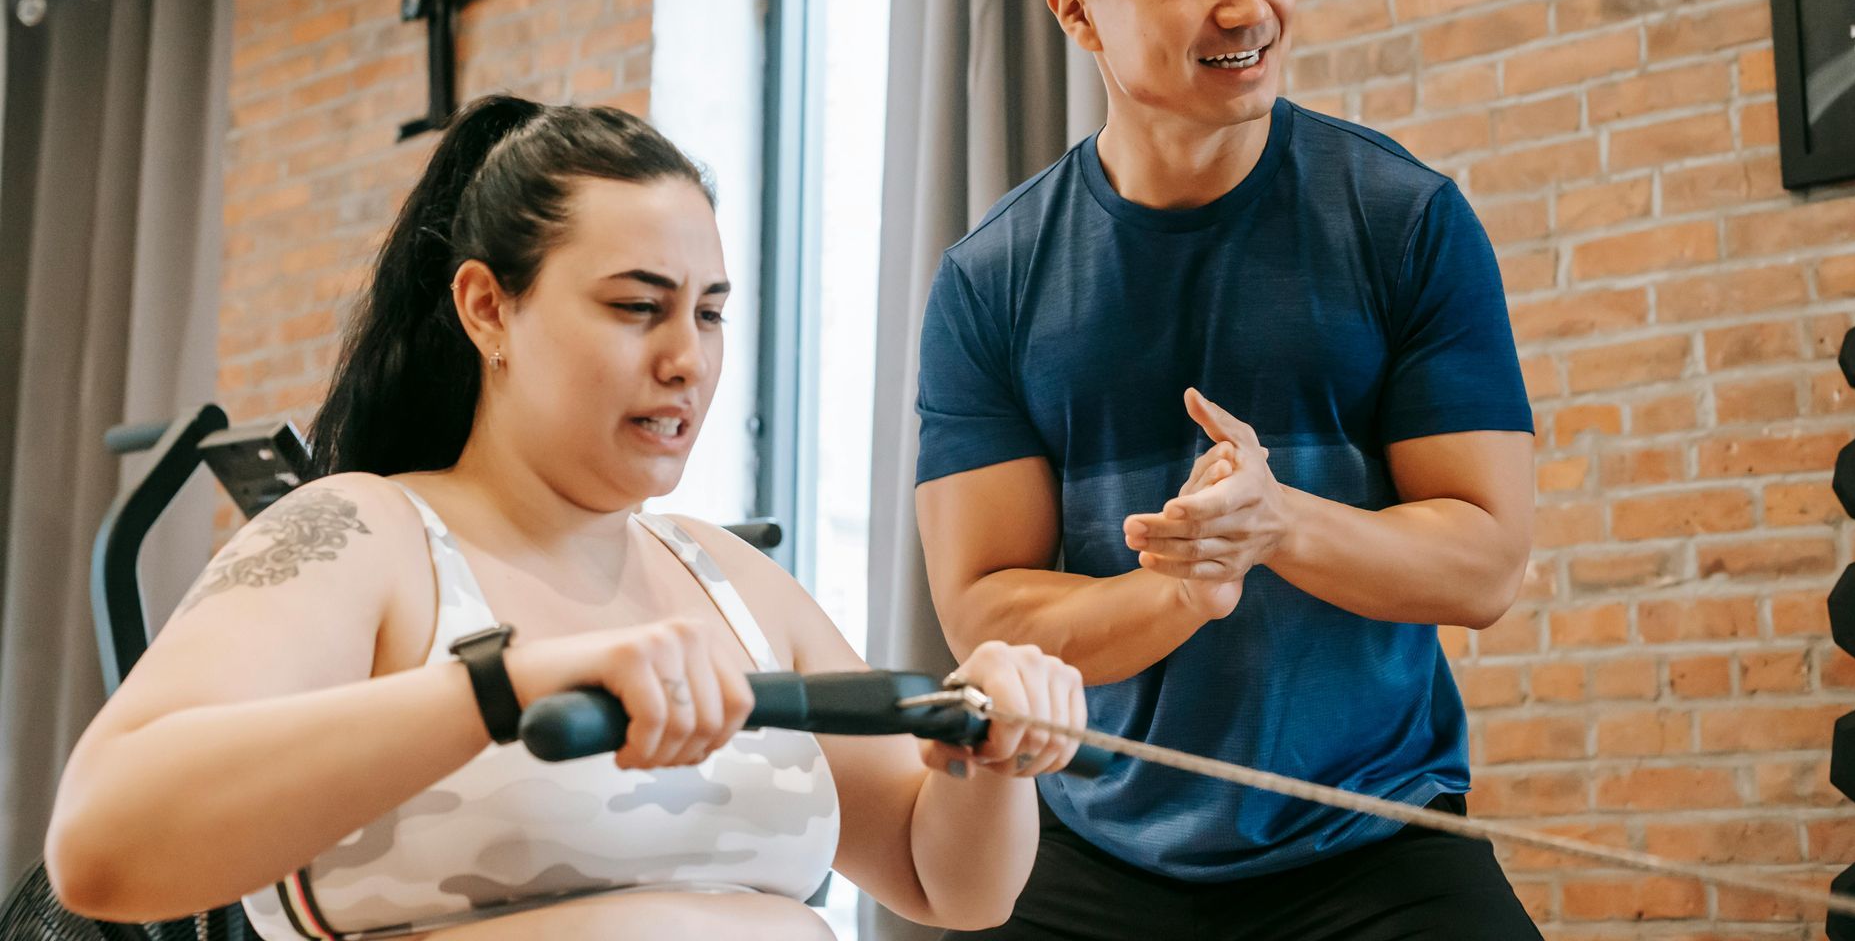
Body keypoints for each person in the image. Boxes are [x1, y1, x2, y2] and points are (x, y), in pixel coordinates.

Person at [44, 95, 1087, 941]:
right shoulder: (364, 534)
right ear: (488, 308)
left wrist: (989, 758)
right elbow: (100, 844)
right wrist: (503, 685)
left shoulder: (724, 574)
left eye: (710, 311)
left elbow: (946, 881)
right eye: (637, 305)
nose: (687, 356)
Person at [913, 0, 1541, 939]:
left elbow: (1485, 563)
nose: (1249, 4)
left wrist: (1276, 524)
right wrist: (1176, 591)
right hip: (1091, 850)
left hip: (1376, 843)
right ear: (1076, 12)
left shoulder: (1406, 219)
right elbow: (988, 613)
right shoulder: (989, 281)